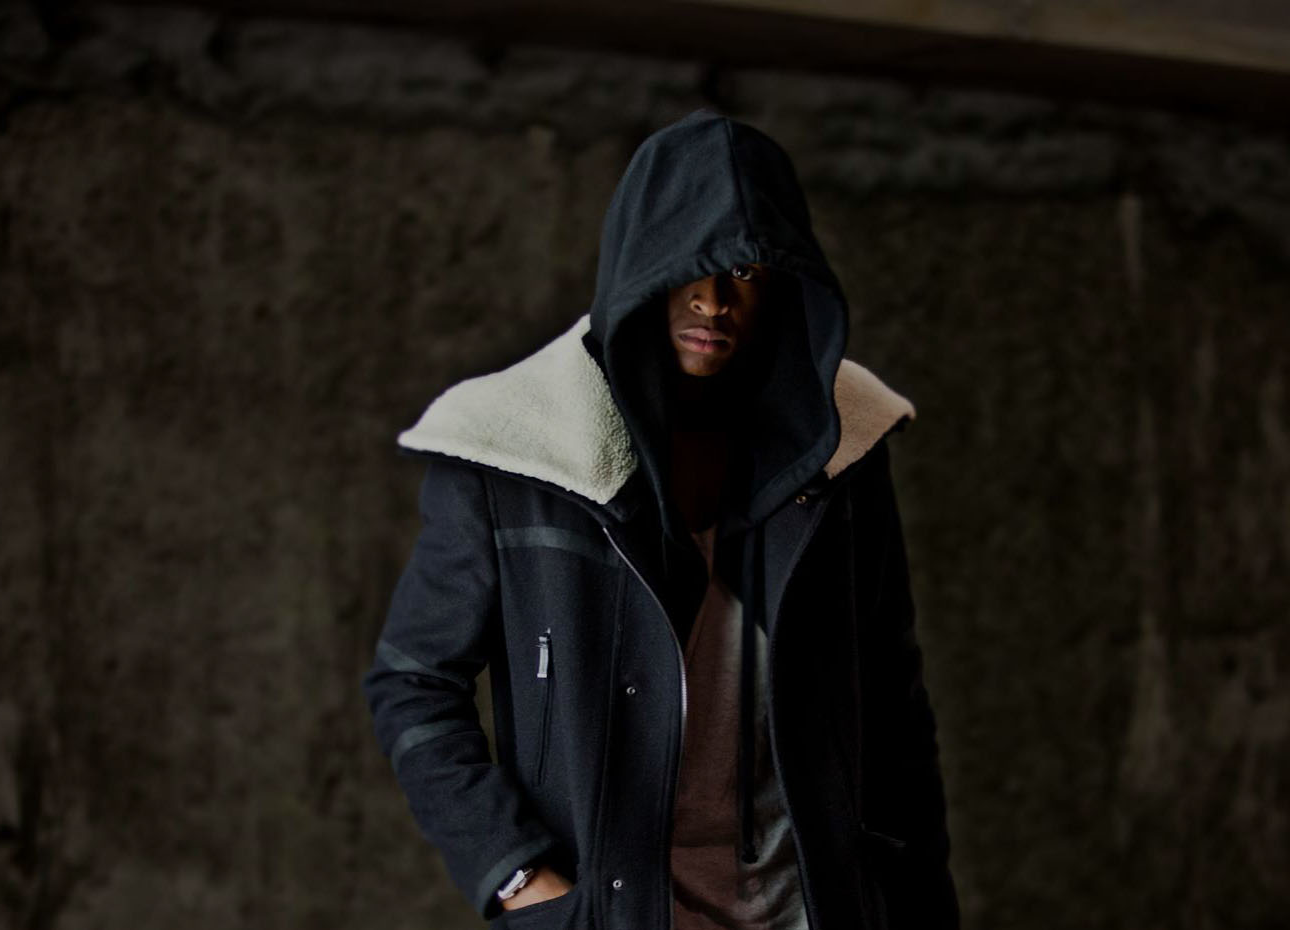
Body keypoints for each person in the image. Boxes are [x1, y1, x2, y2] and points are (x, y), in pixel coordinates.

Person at [362, 107, 959, 930]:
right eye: (690, 269)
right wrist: (518, 876)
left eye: (744, 270)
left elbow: (893, 704)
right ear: (641, 268)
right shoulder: (515, 453)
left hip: (812, 909)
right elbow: (412, 682)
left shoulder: (843, 450)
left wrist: (923, 907)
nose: (714, 301)